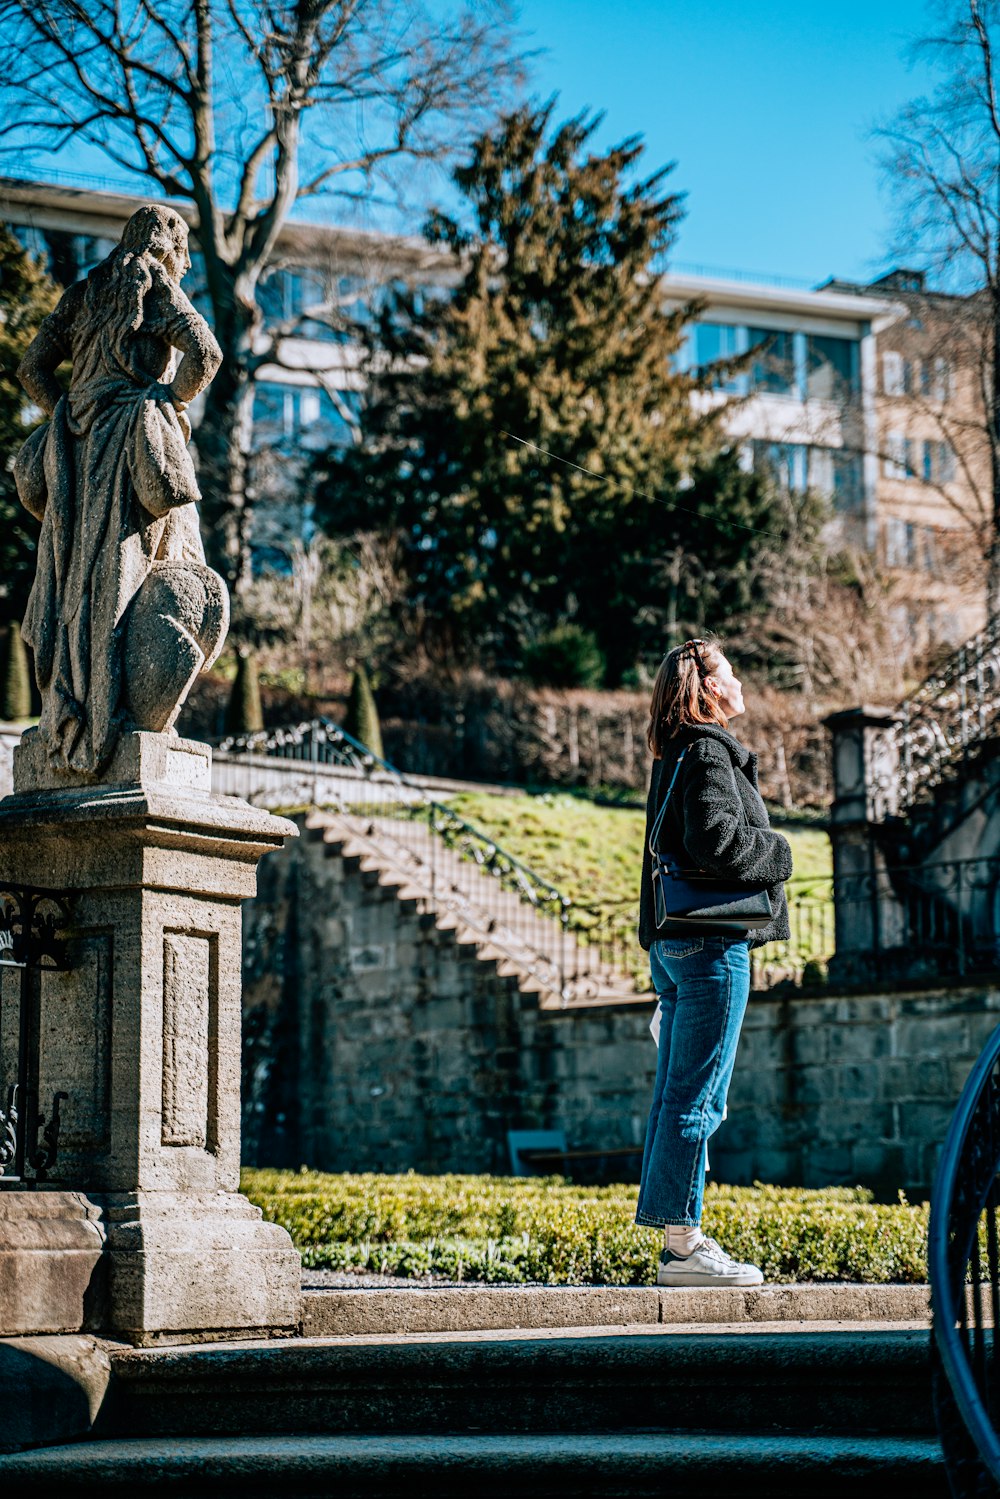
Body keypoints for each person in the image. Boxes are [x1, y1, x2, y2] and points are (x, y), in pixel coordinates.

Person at [15, 204, 227, 776]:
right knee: (123, 571)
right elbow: (206, 354)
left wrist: (67, 411)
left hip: (73, 449)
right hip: (126, 444)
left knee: (68, 576)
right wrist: (165, 403)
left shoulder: (84, 292)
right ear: (172, 247)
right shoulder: (155, 285)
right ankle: (111, 711)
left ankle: (71, 703)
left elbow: (33, 368)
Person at [635, 636, 792, 1286]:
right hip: (712, 948)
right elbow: (715, 837)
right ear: (707, 687)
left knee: (677, 1097)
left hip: (676, 945)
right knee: (699, 1100)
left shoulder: (677, 751)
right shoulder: (706, 750)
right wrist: (778, 851)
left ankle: (679, 1238)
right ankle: (683, 1245)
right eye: (730, 670)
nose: (740, 679)